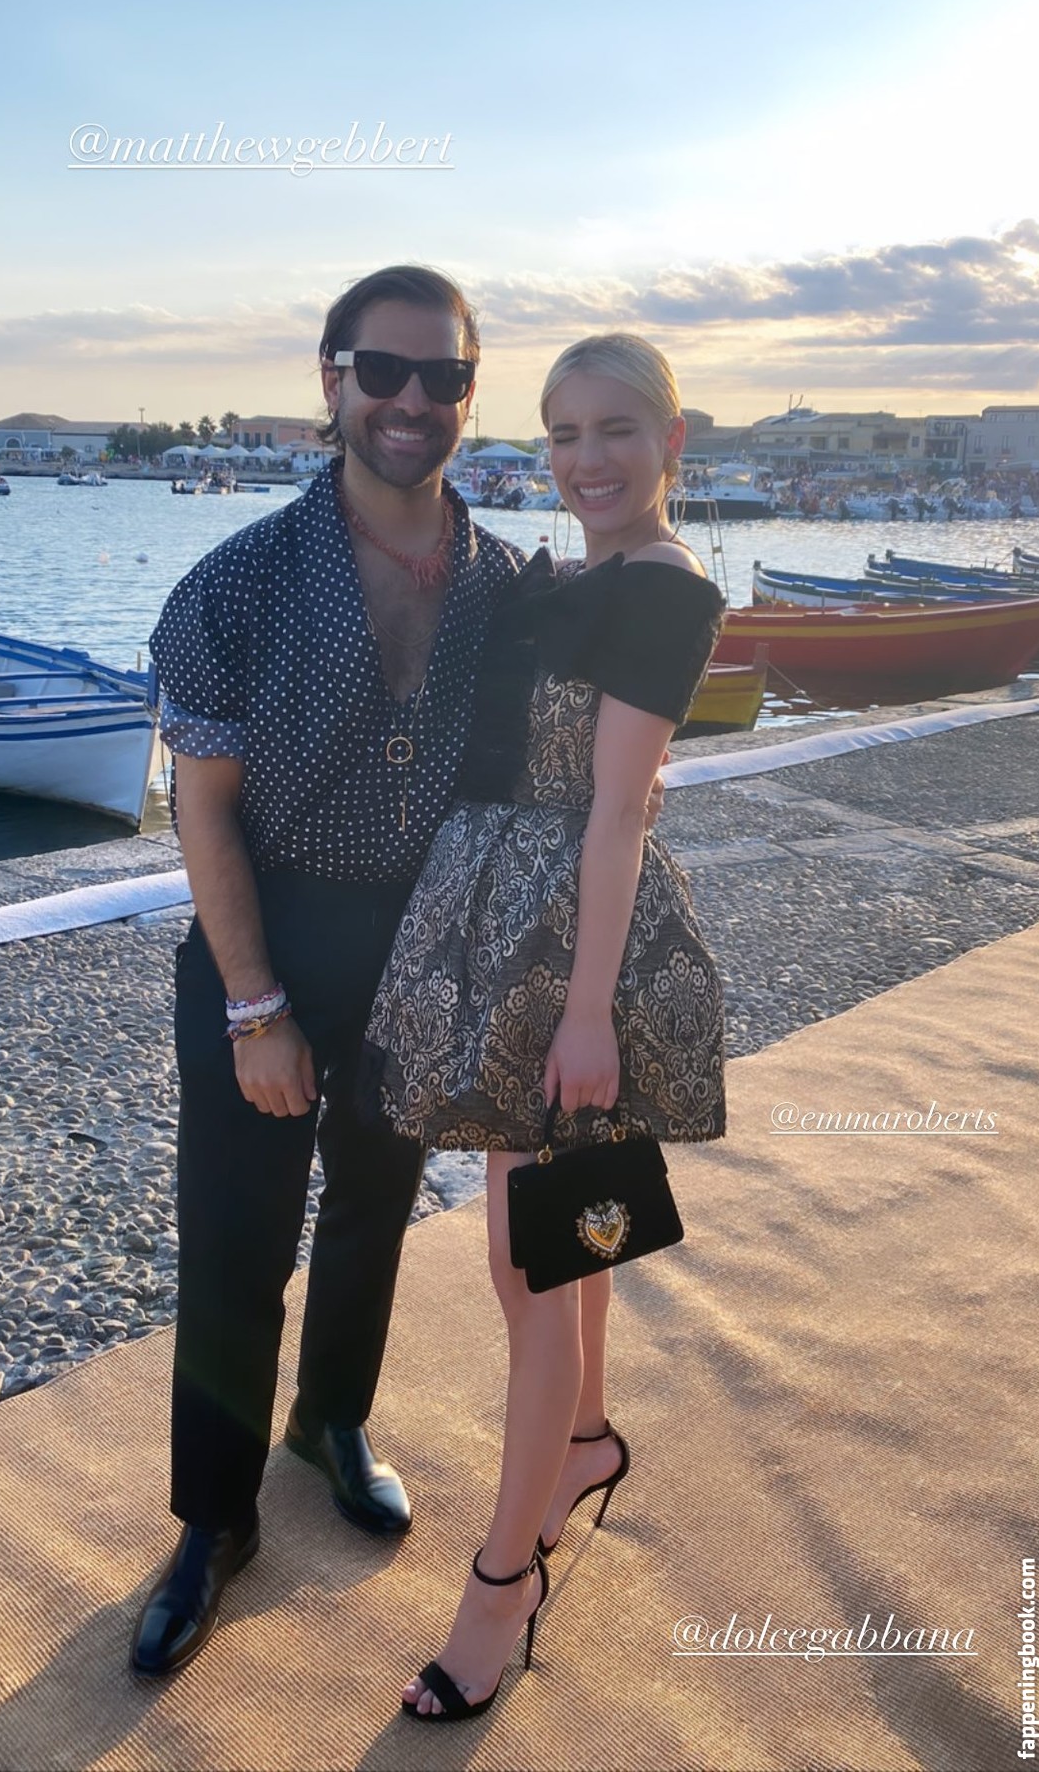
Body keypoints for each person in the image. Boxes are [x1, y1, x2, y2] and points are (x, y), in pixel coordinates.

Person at [132, 267, 667, 1679]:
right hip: (265, 936)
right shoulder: (238, 581)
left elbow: (604, 735)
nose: (413, 401)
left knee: (375, 1203)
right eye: (384, 371)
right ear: (333, 381)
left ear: (469, 395)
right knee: (236, 1237)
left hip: (431, 946)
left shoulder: (508, 586)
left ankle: (332, 1420)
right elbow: (200, 808)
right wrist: (255, 1006)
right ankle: (214, 1518)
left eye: (444, 377)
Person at [360, 333, 727, 1723]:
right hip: (506, 926)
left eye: (618, 430)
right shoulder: (573, 574)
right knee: (572, 1247)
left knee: (533, 1273)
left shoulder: (663, 589)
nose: (588, 459)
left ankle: (499, 1588)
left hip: (565, 951)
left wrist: (585, 1017)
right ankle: (582, 1441)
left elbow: (620, 811)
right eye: (565, 433)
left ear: (673, 442)